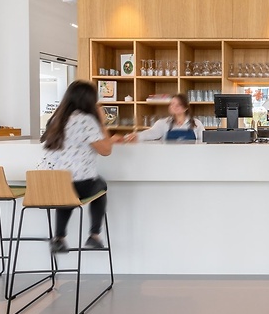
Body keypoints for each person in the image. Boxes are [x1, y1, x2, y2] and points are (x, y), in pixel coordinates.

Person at [40, 80, 117, 253]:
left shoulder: (57, 119)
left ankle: (59, 238)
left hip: (47, 184)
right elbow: (106, 150)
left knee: (65, 191)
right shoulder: (86, 120)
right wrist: (102, 122)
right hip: (75, 185)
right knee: (100, 185)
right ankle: (94, 235)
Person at [122, 93, 205, 143]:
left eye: (178, 105)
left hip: (190, 159)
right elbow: (150, 133)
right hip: (168, 159)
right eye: (172, 104)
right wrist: (134, 136)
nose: (174, 107)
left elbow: (204, 141)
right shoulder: (163, 123)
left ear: (185, 108)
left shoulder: (196, 123)